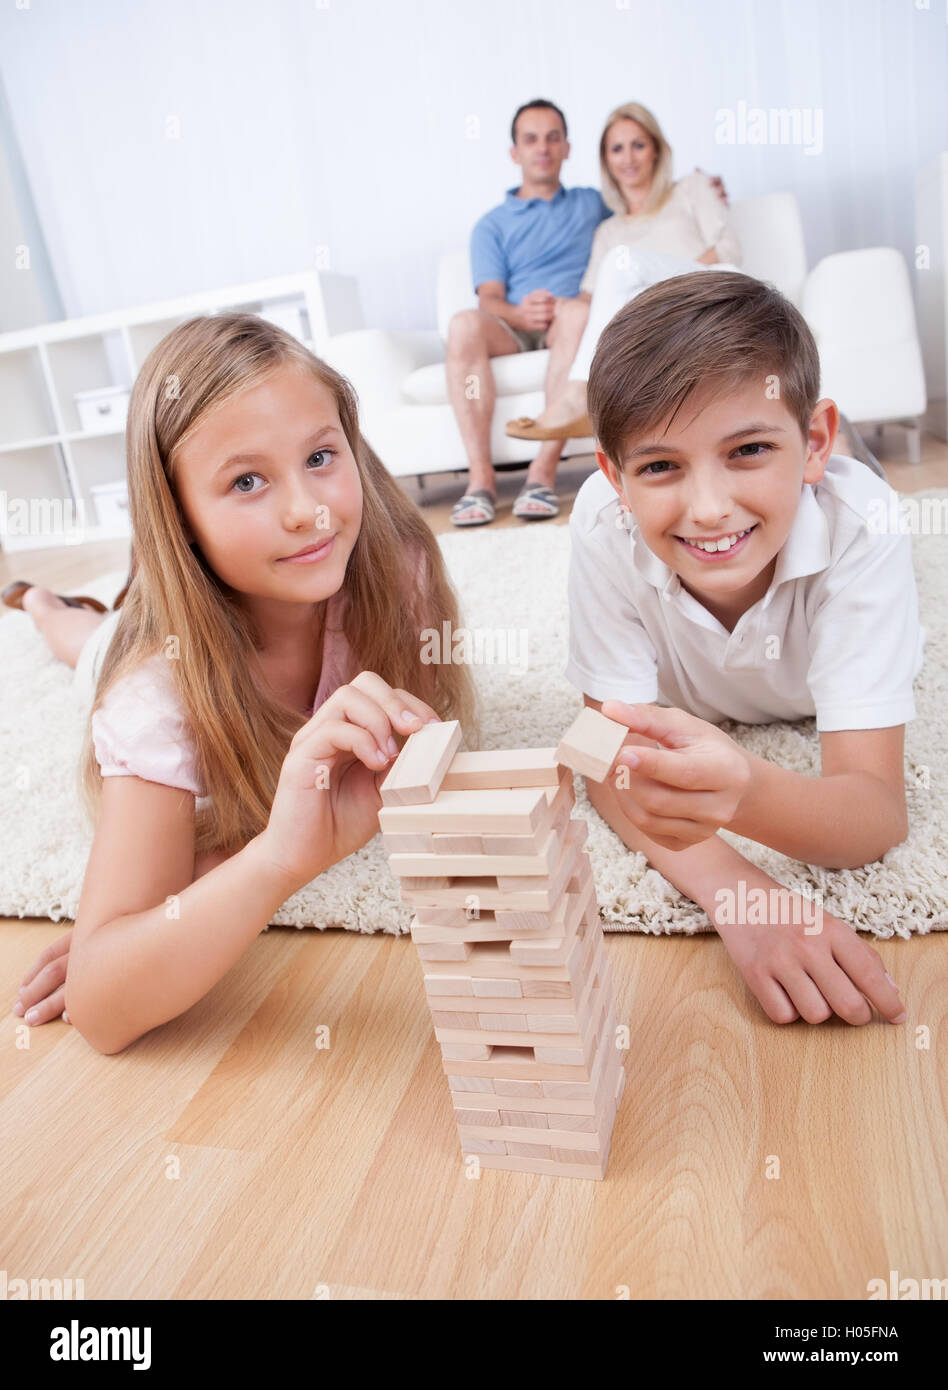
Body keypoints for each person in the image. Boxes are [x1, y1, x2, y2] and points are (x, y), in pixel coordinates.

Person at [8, 312, 478, 1052]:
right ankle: (39, 602)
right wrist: (263, 865)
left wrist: (196, 890)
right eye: (248, 481)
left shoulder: (395, 568)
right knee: (85, 645)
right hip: (134, 651)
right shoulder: (151, 701)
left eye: (321, 457)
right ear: (180, 516)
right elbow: (100, 1008)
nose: (308, 511)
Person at [565, 269, 924, 1028]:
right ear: (614, 477)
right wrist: (740, 893)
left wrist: (747, 792)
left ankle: (837, 461)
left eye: (749, 449)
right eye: (660, 465)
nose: (709, 507)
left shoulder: (864, 526)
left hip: (844, 506)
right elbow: (601, 753)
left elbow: (876, 812)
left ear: (814, 440)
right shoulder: (602, 519)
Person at [450, 98, 727, 526]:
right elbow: (488, 298)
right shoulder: (494, 225)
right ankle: (480, 481)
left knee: (579, 313)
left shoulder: (593, 205)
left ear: (567, 149)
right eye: (531, 139)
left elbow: (646, 200)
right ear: (514, 152)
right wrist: (518, 313)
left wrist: (711, 189)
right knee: (463, 324)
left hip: (573, 320)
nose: (542, 148)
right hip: (511, 322)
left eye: (553, 138)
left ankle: (541, 474)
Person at [507, 102, 741, 442]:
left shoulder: (692, 188)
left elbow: (729, 249)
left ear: (657, 151)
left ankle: (575, 395)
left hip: (713, 294)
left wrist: (667, 286)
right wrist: (563, 307)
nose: (628, 158)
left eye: (639, 145)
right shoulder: (608, 231)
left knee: (622, 263)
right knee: (616, 282)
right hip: (661, 321)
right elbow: (593, 296)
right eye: (617, 149)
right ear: (606, 161)